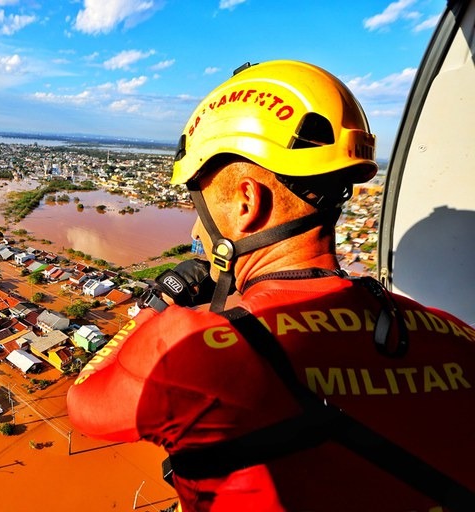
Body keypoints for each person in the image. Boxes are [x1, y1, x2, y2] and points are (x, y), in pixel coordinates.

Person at [66, 60, 475, 512]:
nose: (198, 233)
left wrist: (160, 302)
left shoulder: (187, 351)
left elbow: (83, 401)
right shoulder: (455, 334)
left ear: (247, 202)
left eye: (198, 210)